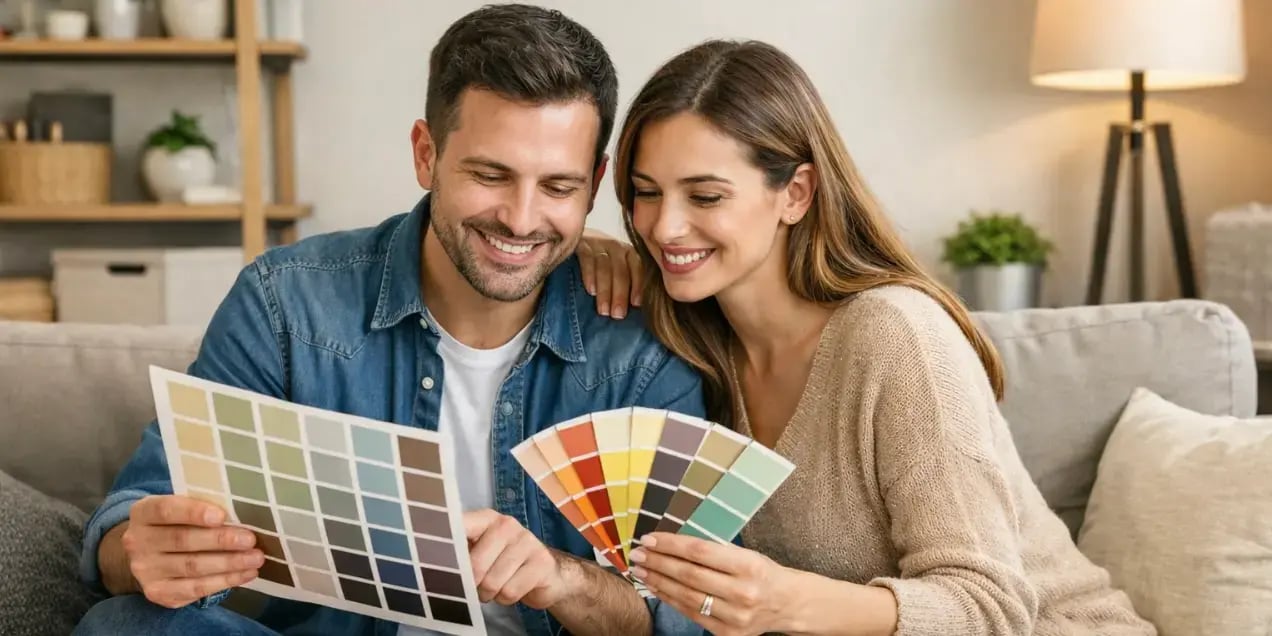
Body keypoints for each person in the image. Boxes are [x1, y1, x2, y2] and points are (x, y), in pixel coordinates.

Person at [72, 5, 701, 636]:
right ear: (426, 154)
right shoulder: (288, 304)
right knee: (125, 624)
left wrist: (562, 580)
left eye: (558, 188)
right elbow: (132, 519)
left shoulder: (642, 347)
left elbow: (676, 616)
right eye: (490, 175)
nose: (520, 218)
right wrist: (138, 549)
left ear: (594, 186)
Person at [608, 40, 1158, 636]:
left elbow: (990, 608)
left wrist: (785, 602)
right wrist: (589, 250)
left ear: (795, 193)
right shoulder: (692, 347)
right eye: (646, 192)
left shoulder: (895, 337)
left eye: (705, 196)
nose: (663, 226)